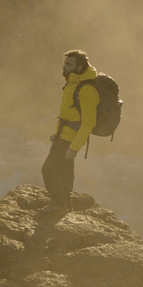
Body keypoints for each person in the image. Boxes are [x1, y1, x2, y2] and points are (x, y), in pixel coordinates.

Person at [41, 50, 99, 214]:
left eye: (68, 64)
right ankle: (66, 205)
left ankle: (58, 205)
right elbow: (70, 114)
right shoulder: (73, 83)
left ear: (79, 67)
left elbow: (88, 123)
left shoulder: (87, 89)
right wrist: (57, 133)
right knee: (65, 171)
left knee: (49, 169)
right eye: (64, 63)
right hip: (63, 135)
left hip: (70, 139)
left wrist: (74, 148)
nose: (64, 67)